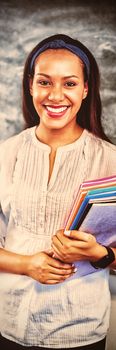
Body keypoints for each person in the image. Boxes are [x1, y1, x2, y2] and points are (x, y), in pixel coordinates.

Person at [0, 33, 116, 350]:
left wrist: (100, 255)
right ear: (30, 85)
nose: (55, 95)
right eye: (45, 82)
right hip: (10, 323)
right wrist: (26, 264)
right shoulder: (5, 154)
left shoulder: (110, 160)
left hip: (80, 329)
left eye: (69, 83)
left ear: (86, 88)